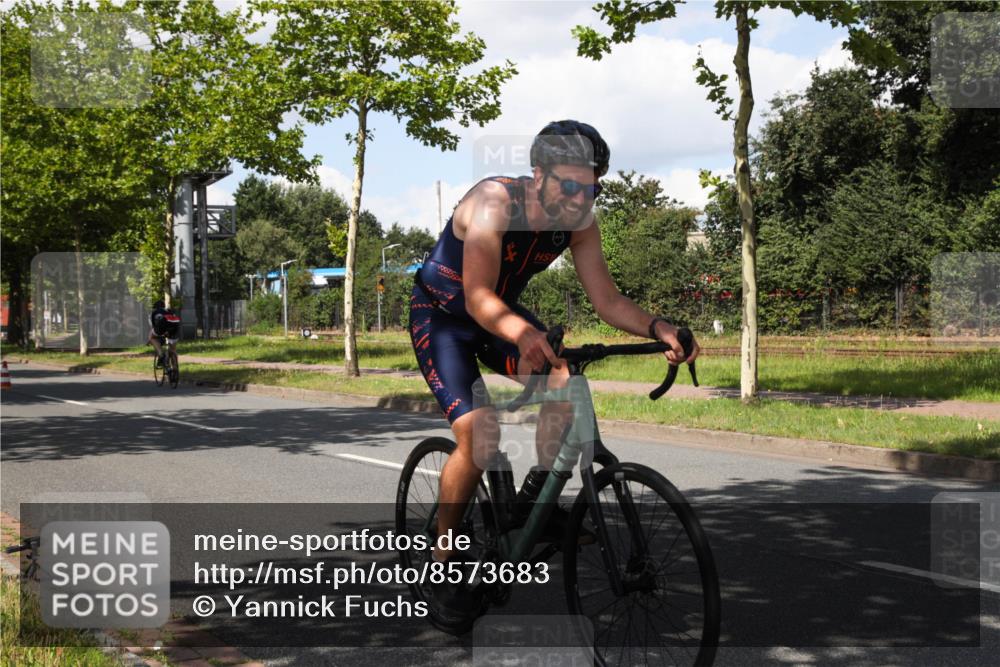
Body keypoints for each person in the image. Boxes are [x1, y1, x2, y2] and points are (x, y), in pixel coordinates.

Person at [408, 120, 700, 631]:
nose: (579, 198)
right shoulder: (495, 203)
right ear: (537, 174)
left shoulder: (579, 220)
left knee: (566, 386)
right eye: (569, 185)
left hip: (501, 317)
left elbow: (606, 300)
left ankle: (529, 506)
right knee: (480, 434)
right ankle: (443, 561)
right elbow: (476, 295)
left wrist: (660, 327)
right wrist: (522, 334)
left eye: (591, 187)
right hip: (445, 317)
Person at [149, 300, 181, 367]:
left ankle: (161, 354)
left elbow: (154, 326)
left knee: (151, 337)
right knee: (173, 350)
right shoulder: (169, 311)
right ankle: (175, 371)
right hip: (174, 328)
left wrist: (161, 336)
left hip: (161, 329)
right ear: (163, 306)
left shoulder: (154, 312)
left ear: (155, 307)